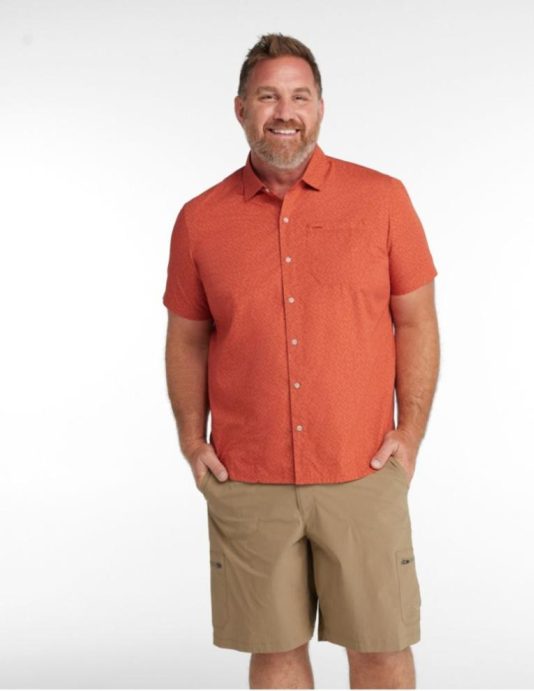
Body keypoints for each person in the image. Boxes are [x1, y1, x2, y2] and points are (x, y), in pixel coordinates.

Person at [163, 32, 440, 690]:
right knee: (276, 652)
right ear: (241, 109)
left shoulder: (383, 200)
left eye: (299, 96)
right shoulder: (200, 220)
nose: (284, 112)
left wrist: (410, 433)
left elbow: (417, 321)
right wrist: (190, 440)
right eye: (267, 96)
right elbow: (187, 339)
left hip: (361, 469)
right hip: (249, 476)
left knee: (381, 649)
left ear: (320, 107)